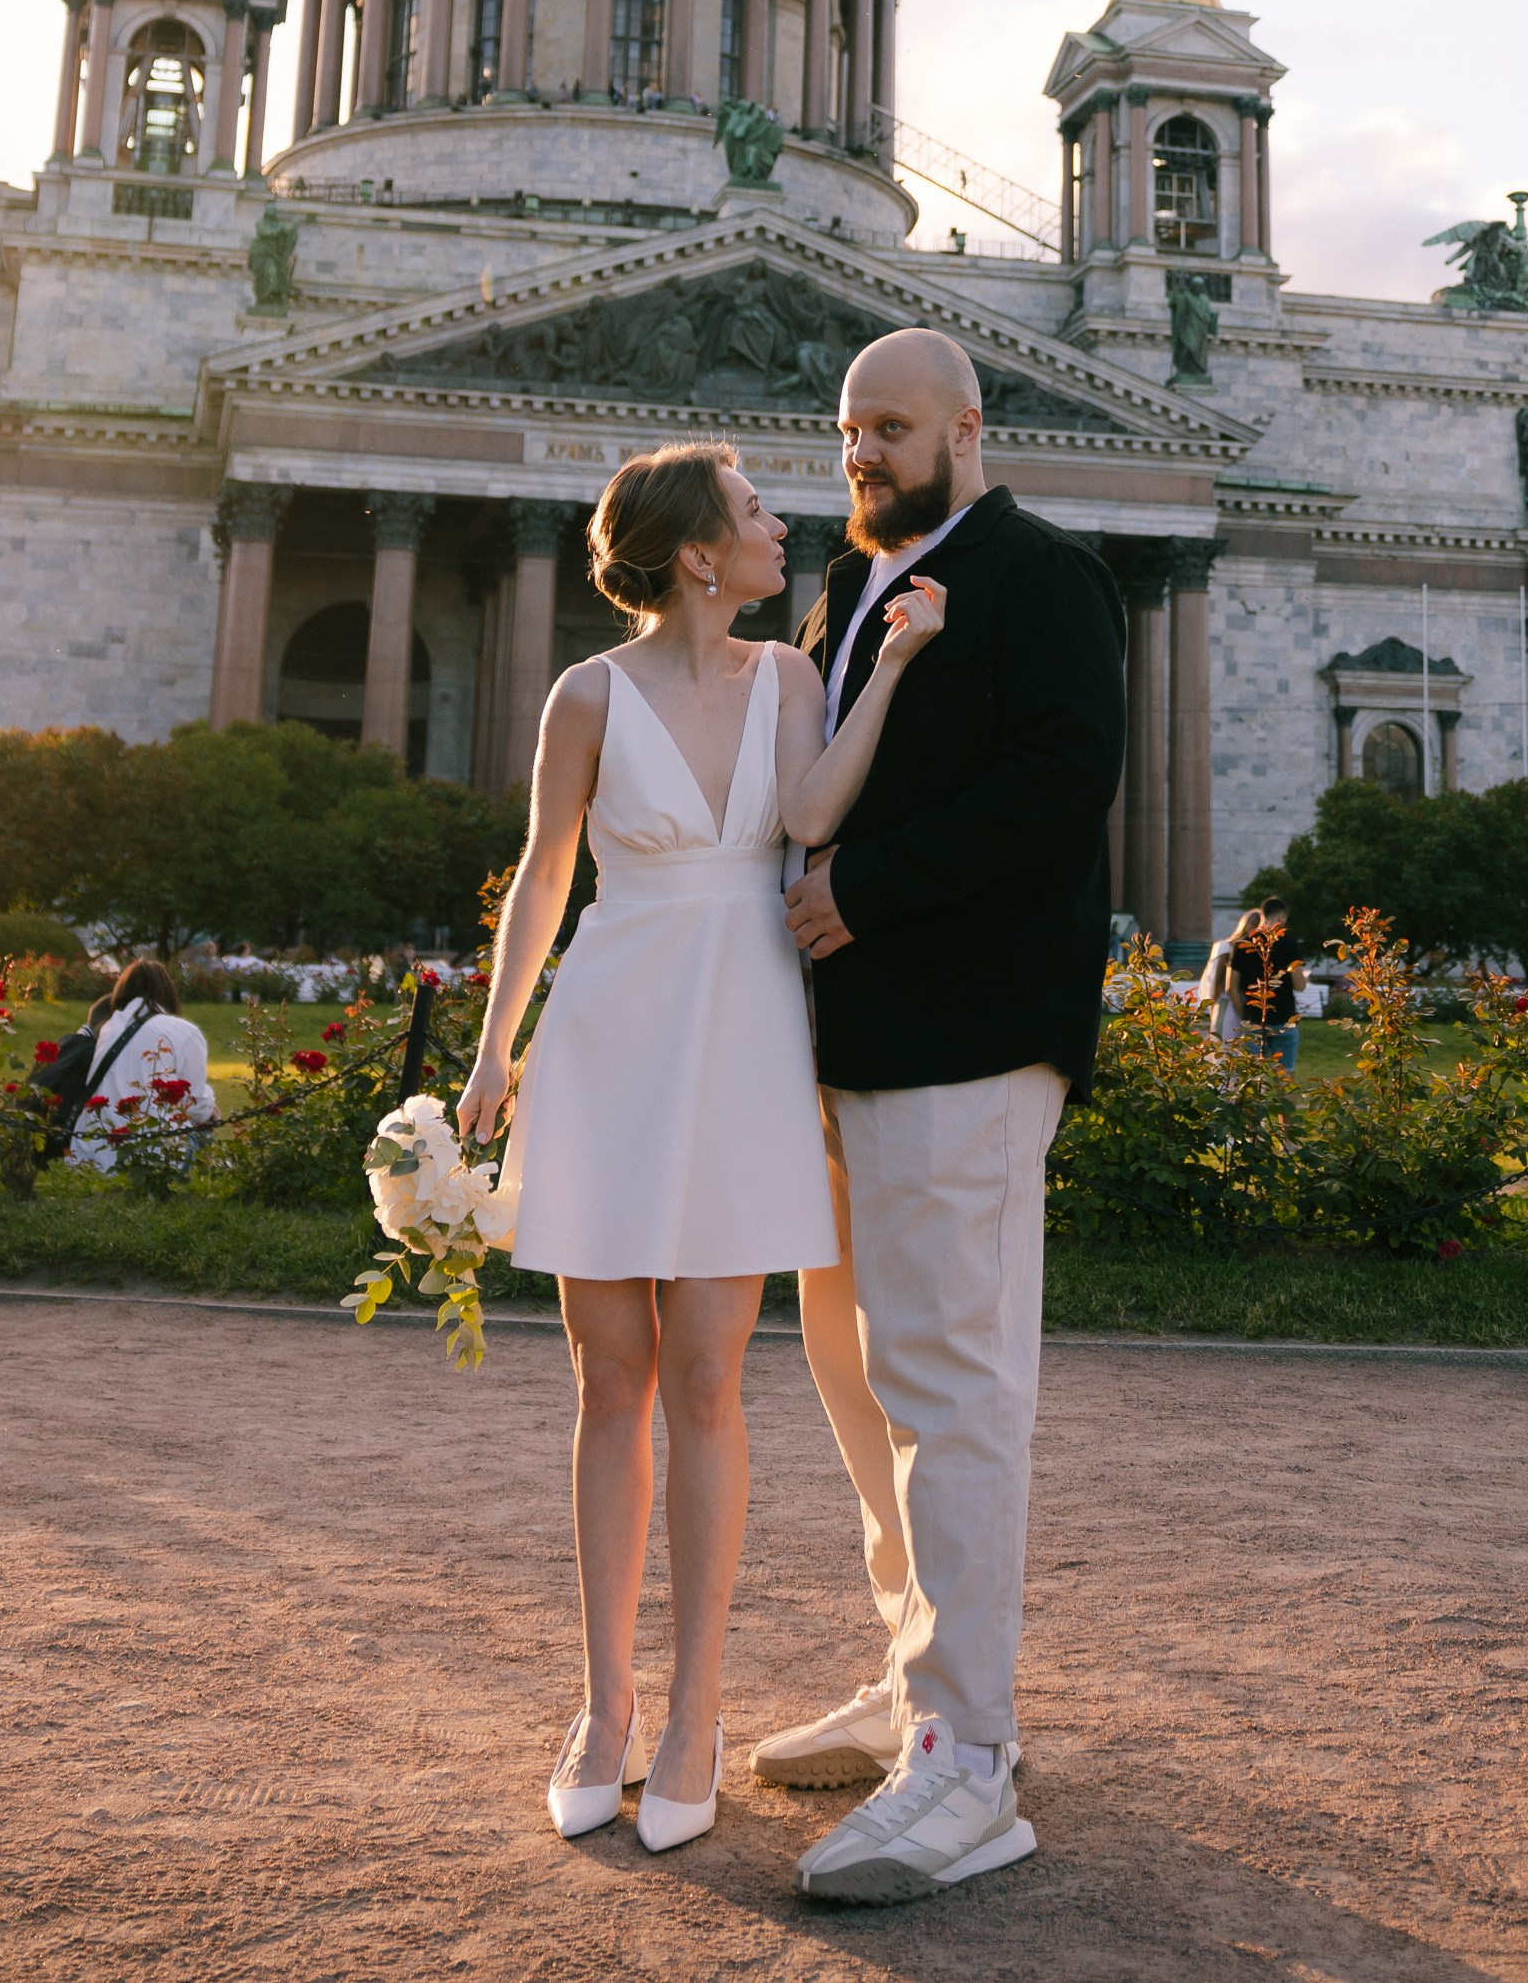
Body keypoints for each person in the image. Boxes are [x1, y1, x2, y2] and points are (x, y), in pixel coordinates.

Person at [458, 445, 942, 1858]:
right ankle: (602, 1713)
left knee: (710, 1387)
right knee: (611, 1385)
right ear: (692, 556)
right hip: (610, 1029)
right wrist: (497, 1046)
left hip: (740, 1038)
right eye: (748, 513)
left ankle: (694, 1715)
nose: (776, 524)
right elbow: (546, 871)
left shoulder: (791, 680)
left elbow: (805, 822)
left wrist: (896, 669)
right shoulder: (584, 694)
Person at [757, 329, 1127, 1909]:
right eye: (847, 431)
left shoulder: (1042, 572)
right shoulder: (847, 594)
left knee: (951, 1389)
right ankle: (914, 1684)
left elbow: (1065, 780)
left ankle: (970, 1761)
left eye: (889, 429)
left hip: (969, 1038)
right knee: (857, 1380)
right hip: (849, 1047)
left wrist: (865, 893)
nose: (860, 455)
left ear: (967, 428)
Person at [65, 958, 218, 1168]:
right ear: (168, 991)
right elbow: (197, 1106)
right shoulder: (184, 1031)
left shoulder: (109, 1028)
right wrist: (211, 1109)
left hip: (91, 1152)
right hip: (155, 1155)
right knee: (206, 1116)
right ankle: (199, 1177)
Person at [1214, 900, 1301, 1070]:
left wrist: (1245, 1013)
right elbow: (1300, 985)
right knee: (1285, 1077)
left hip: (1254, 1020)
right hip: (1284, 1019)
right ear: (1280, 917)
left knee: (1251, 1075)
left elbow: (1230, 987)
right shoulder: (1290, 945)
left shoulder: (1242, 945)